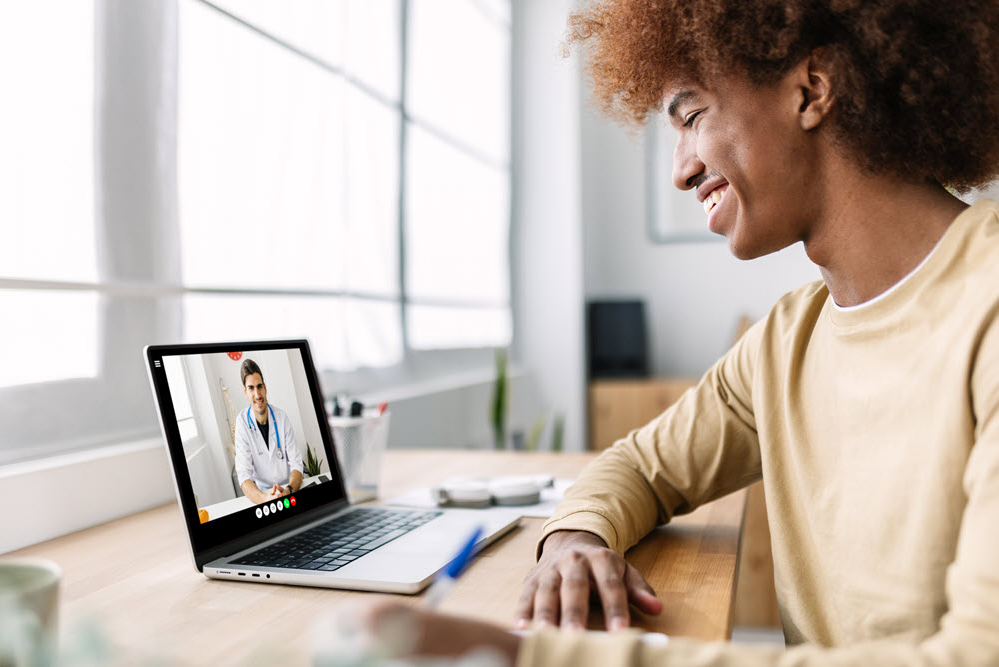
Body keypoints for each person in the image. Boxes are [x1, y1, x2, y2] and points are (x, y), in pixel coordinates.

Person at [360, 0, 999, 664]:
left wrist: (526, 655)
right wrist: (575, 541)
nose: (682, 169)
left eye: (691, 116)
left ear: (810, 90)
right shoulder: (784, 342)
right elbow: (637, 464)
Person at [234, 358, 303, 504]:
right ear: (245, 392)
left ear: (265, 388)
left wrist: (289, 490)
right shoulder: (242, 423)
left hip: (288, 488)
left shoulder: (281, 417)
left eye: (259, 387)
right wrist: (266, 498)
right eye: (251, 388)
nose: (257, 394)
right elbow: (244, 475)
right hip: (262, 493)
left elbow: (297, 463)